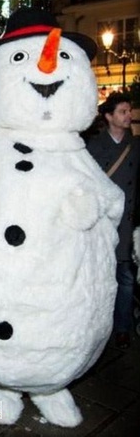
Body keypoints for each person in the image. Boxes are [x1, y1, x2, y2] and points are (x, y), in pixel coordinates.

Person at [87, 91, 140, 350]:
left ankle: (122, 328)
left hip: (128, 223)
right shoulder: (93, 147)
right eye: (122, 111)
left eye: (129, 111)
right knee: (98, 278)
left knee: (126, 280)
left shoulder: (136, 145)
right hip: (101, 223)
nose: (128, 115)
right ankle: (98, 328)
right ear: (109, 116)